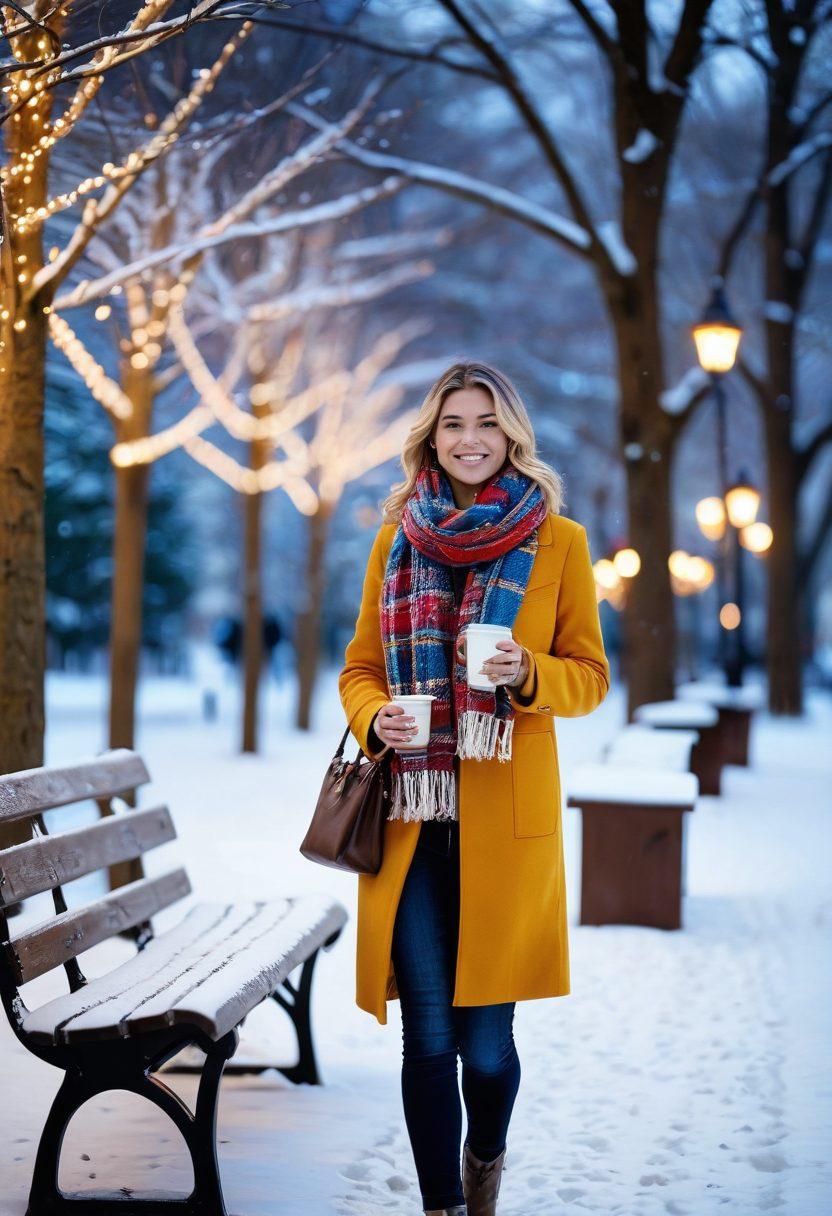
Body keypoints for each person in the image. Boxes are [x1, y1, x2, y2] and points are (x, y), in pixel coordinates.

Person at [338, 361, 610, 1216]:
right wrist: (376, 717)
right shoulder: (397, 538)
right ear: (433, 435)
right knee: (429, 1039)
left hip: (505, 823)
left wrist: (528, 672)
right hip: (412, 818)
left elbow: (591, 677)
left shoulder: (559, 542)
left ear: (512, 435)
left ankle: (482, 1164)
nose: (469, 439)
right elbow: (359, 669)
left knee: (487, 1051)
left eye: (486, 423)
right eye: (454, 423)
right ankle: (442, 1207)